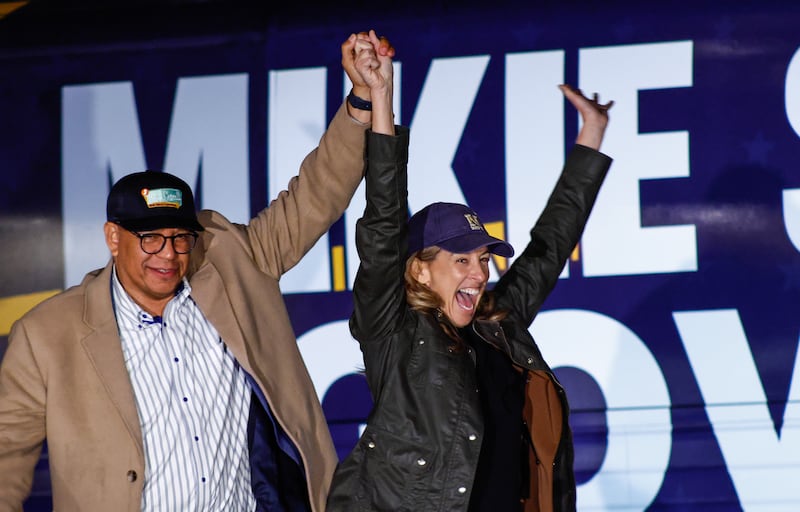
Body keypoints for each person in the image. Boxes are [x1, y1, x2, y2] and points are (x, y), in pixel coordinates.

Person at [0, 30, 394, 511]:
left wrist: (359, 100)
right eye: (149, 239)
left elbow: (314, 197)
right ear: (112, 238)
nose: (168, 254)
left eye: (179, 237)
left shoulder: (231, 265)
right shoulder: (47, 335)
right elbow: (5, 461)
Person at [326, 84, 613, 512]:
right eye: (462, 260)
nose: (480, 274)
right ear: (421, 268)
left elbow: (550, 246)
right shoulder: (393, 332)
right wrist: (381, 98)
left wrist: (592, 131)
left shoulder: (497, 324)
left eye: (483, 259)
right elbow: (383, 222)